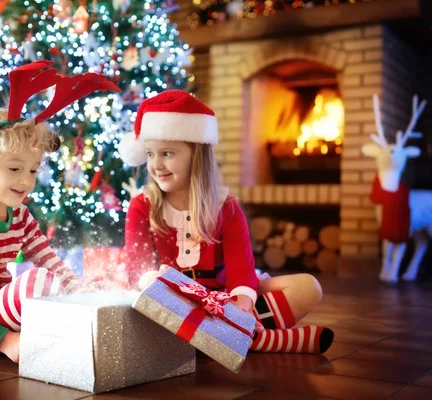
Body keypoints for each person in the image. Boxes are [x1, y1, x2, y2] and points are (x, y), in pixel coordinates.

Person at [0, 61, 119, 362]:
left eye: (32, 170)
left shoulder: (20, 216)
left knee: (53, 280)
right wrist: (6, 341)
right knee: (38, 282)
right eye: (14, 168)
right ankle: (35, 339)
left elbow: (52, 262)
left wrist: (82, 295)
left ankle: (72, 333)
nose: (26, 181)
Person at [120, 90, 334, 354]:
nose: (156, 165)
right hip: (172, 300)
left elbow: (241, 270)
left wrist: (240, 307)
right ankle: (257, 339)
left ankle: (230, 335)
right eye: (150, 154)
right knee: (149, 308)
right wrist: (165, 288)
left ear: (196, 155)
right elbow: (138, 270)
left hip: (223, 297)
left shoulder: (226, 207)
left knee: (308, 288)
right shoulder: (142, 206)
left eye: (167, 153)